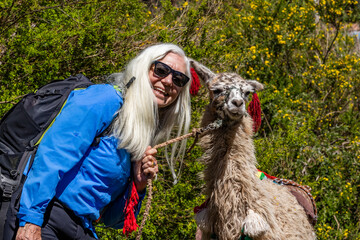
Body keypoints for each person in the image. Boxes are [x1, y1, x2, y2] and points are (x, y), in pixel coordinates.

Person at [4, 43, 192, 240]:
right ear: (143, 67)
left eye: (179, 79)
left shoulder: (138, 132)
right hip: (46, 216)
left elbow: (113, 220)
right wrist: (31, 220)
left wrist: (138, 185)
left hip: (82, 227)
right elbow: (54, 155)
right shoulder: (107, 99)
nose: (169, 81)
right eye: (161, 70)